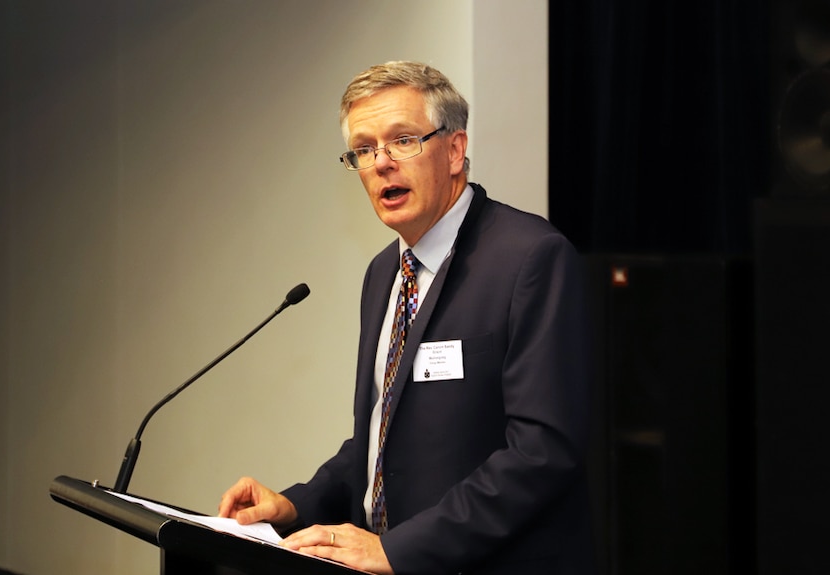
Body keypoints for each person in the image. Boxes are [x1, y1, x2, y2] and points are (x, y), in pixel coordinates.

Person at [218, 61, 595, 575]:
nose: (381, 163)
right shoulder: (384, 274)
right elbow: (383, 438)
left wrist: (398, 549)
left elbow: (541, 453)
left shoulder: (529, 258)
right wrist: (295, 504)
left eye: (402, 141)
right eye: (365, 149)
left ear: (456, 150)